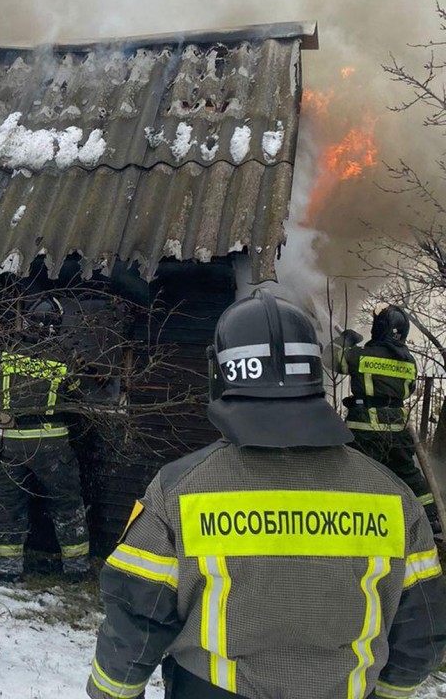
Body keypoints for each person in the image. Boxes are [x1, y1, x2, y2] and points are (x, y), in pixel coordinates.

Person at [87, 289, 446, 699]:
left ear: (220, 374)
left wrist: (112, 693)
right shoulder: (395, 499)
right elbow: (423, 628)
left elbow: (137, 616)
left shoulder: (179, 490)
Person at [0, 296, 91, 581]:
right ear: (55, 324)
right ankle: (76, 569)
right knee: (67, 504)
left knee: (10, 505)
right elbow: (77, 394)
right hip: (51, 444)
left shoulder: (7, 352)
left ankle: (8, 570)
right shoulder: (62, 357)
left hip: (11, 443)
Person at [326, 304, 439, 533]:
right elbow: (408, 390)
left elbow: (330, 358)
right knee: (408, 473)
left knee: (354, 473)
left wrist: (345, 339)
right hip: (398, 430)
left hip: (364, 429)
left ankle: (348, 520)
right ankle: (431, 519)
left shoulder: (362, 356)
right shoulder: (408, 361)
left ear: (379, 328)